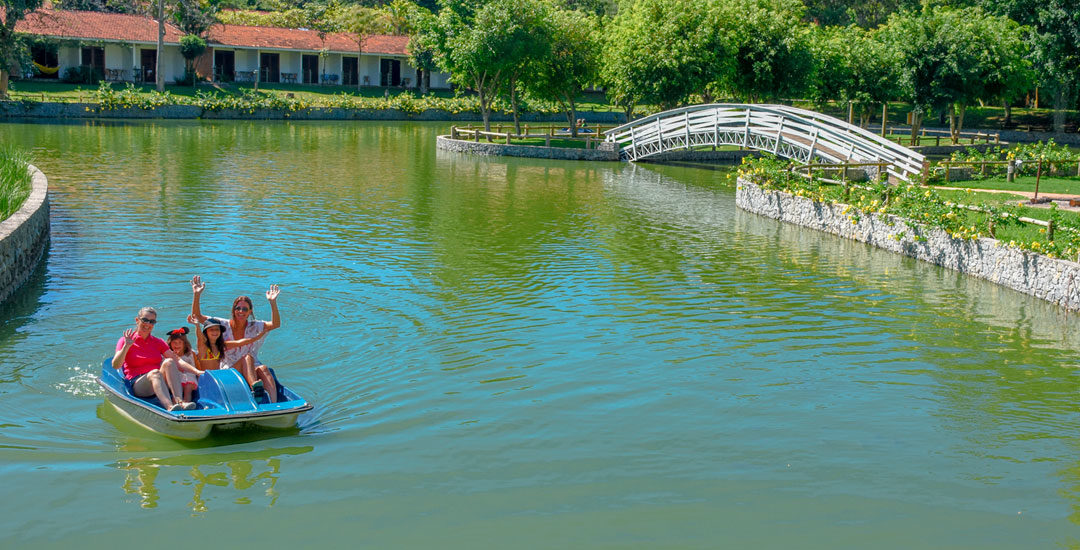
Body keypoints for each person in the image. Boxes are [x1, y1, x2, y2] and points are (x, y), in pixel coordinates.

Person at [190, 275, 282, 403]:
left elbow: (276, 324)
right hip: (230, 369)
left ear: (250, 311)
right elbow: (197, 316)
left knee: (264, 368)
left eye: (244, 309)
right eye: (238, 308)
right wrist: (196, 294)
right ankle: (255, 387)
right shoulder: (222, 325)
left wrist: (273, 303)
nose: (241, 311)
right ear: (233, 310)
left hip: (252, 367)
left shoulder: (255, 326)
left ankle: (274, 405)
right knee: (247, 357)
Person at [113, 307, 192, 411]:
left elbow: (176, 360)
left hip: (158, 380)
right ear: (137, 320)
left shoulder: (157, 342)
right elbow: (116, 365)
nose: (148, 324)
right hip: (138, 383)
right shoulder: (125, 340)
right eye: (145, 320)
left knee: (169, 362)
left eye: (152, 321)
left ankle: (179, 402)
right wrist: (126, 347)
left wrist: (198, 372)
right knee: (155, 373)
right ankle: (169, 407)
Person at [188, 314, 271, 372]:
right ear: (206, 332)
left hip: (218, 376)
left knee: (246, 358)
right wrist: (197, 325)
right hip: (207, 378)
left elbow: (240, 342)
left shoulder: (221, 345)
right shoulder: (203, 346)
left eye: (217, 329)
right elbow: (199, 337)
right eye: (211, 330)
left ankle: (254, 386)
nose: (215, 332)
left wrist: (259, 336)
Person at [165, 327, 201, 405]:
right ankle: (175, 404)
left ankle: (186, 403)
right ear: (170, 343)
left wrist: (199, 379)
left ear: (184, 344)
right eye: (174, 342)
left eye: (180, 342)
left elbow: (198, 367)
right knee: (176, 388)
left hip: (190, 379)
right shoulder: (168, 355)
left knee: (188, 388)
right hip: (177, 378)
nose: (177, 345)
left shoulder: (191, 354)